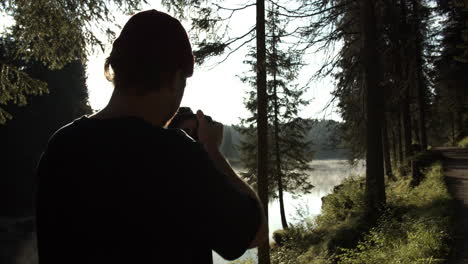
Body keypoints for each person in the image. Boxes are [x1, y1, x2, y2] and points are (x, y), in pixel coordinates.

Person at [35, 9, 267, 264]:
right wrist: (211, 150)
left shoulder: (62, 146)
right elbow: (254, 234)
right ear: (177, 77)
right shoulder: (178, 156)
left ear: (117, 69)